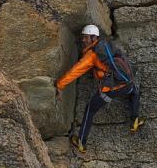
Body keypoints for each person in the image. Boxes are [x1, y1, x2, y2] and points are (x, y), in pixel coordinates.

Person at [55, 24, 143, 152]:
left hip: (112, 88)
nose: (83, 40)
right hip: (128, 82)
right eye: (83, 38)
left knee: (90, 109)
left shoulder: (92, 55)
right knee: (134, 92)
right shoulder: (106, 45)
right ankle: (135, 119)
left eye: (86, 38)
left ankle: (81, 142)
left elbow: (76, 71)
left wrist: (60, 84)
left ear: (93, 37)